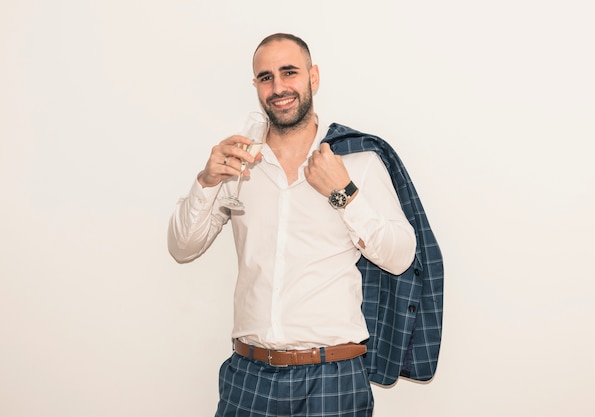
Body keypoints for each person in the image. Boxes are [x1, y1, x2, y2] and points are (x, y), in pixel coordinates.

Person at [168, 33, 443, 417]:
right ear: (256, 86)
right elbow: (182, 247)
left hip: (333, 378)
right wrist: (207, 181)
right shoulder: (237, 163)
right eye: (266, 77)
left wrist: (343, 193)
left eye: (289, 72)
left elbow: (401, 257)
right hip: (248, 375)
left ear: (313, 77)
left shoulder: (357, 160)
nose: (278, 87)